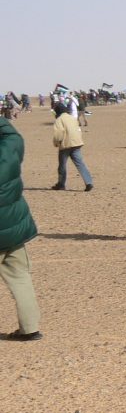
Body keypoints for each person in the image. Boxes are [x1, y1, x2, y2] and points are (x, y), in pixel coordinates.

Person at [0, 117, 43, 341]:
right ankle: (30, 328)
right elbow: (13, 135)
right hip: (13, 228)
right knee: (20, 278)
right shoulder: (9, 151)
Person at [51, 101, 94, 192]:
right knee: (80, 164)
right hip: (76, 143)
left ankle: (61, 184)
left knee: (62, 166)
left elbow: (58, 133)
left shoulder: (59, 120)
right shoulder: (72, 118)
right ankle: (89, 182)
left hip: (66, 145)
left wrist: (56, 143)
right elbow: (78, 129)